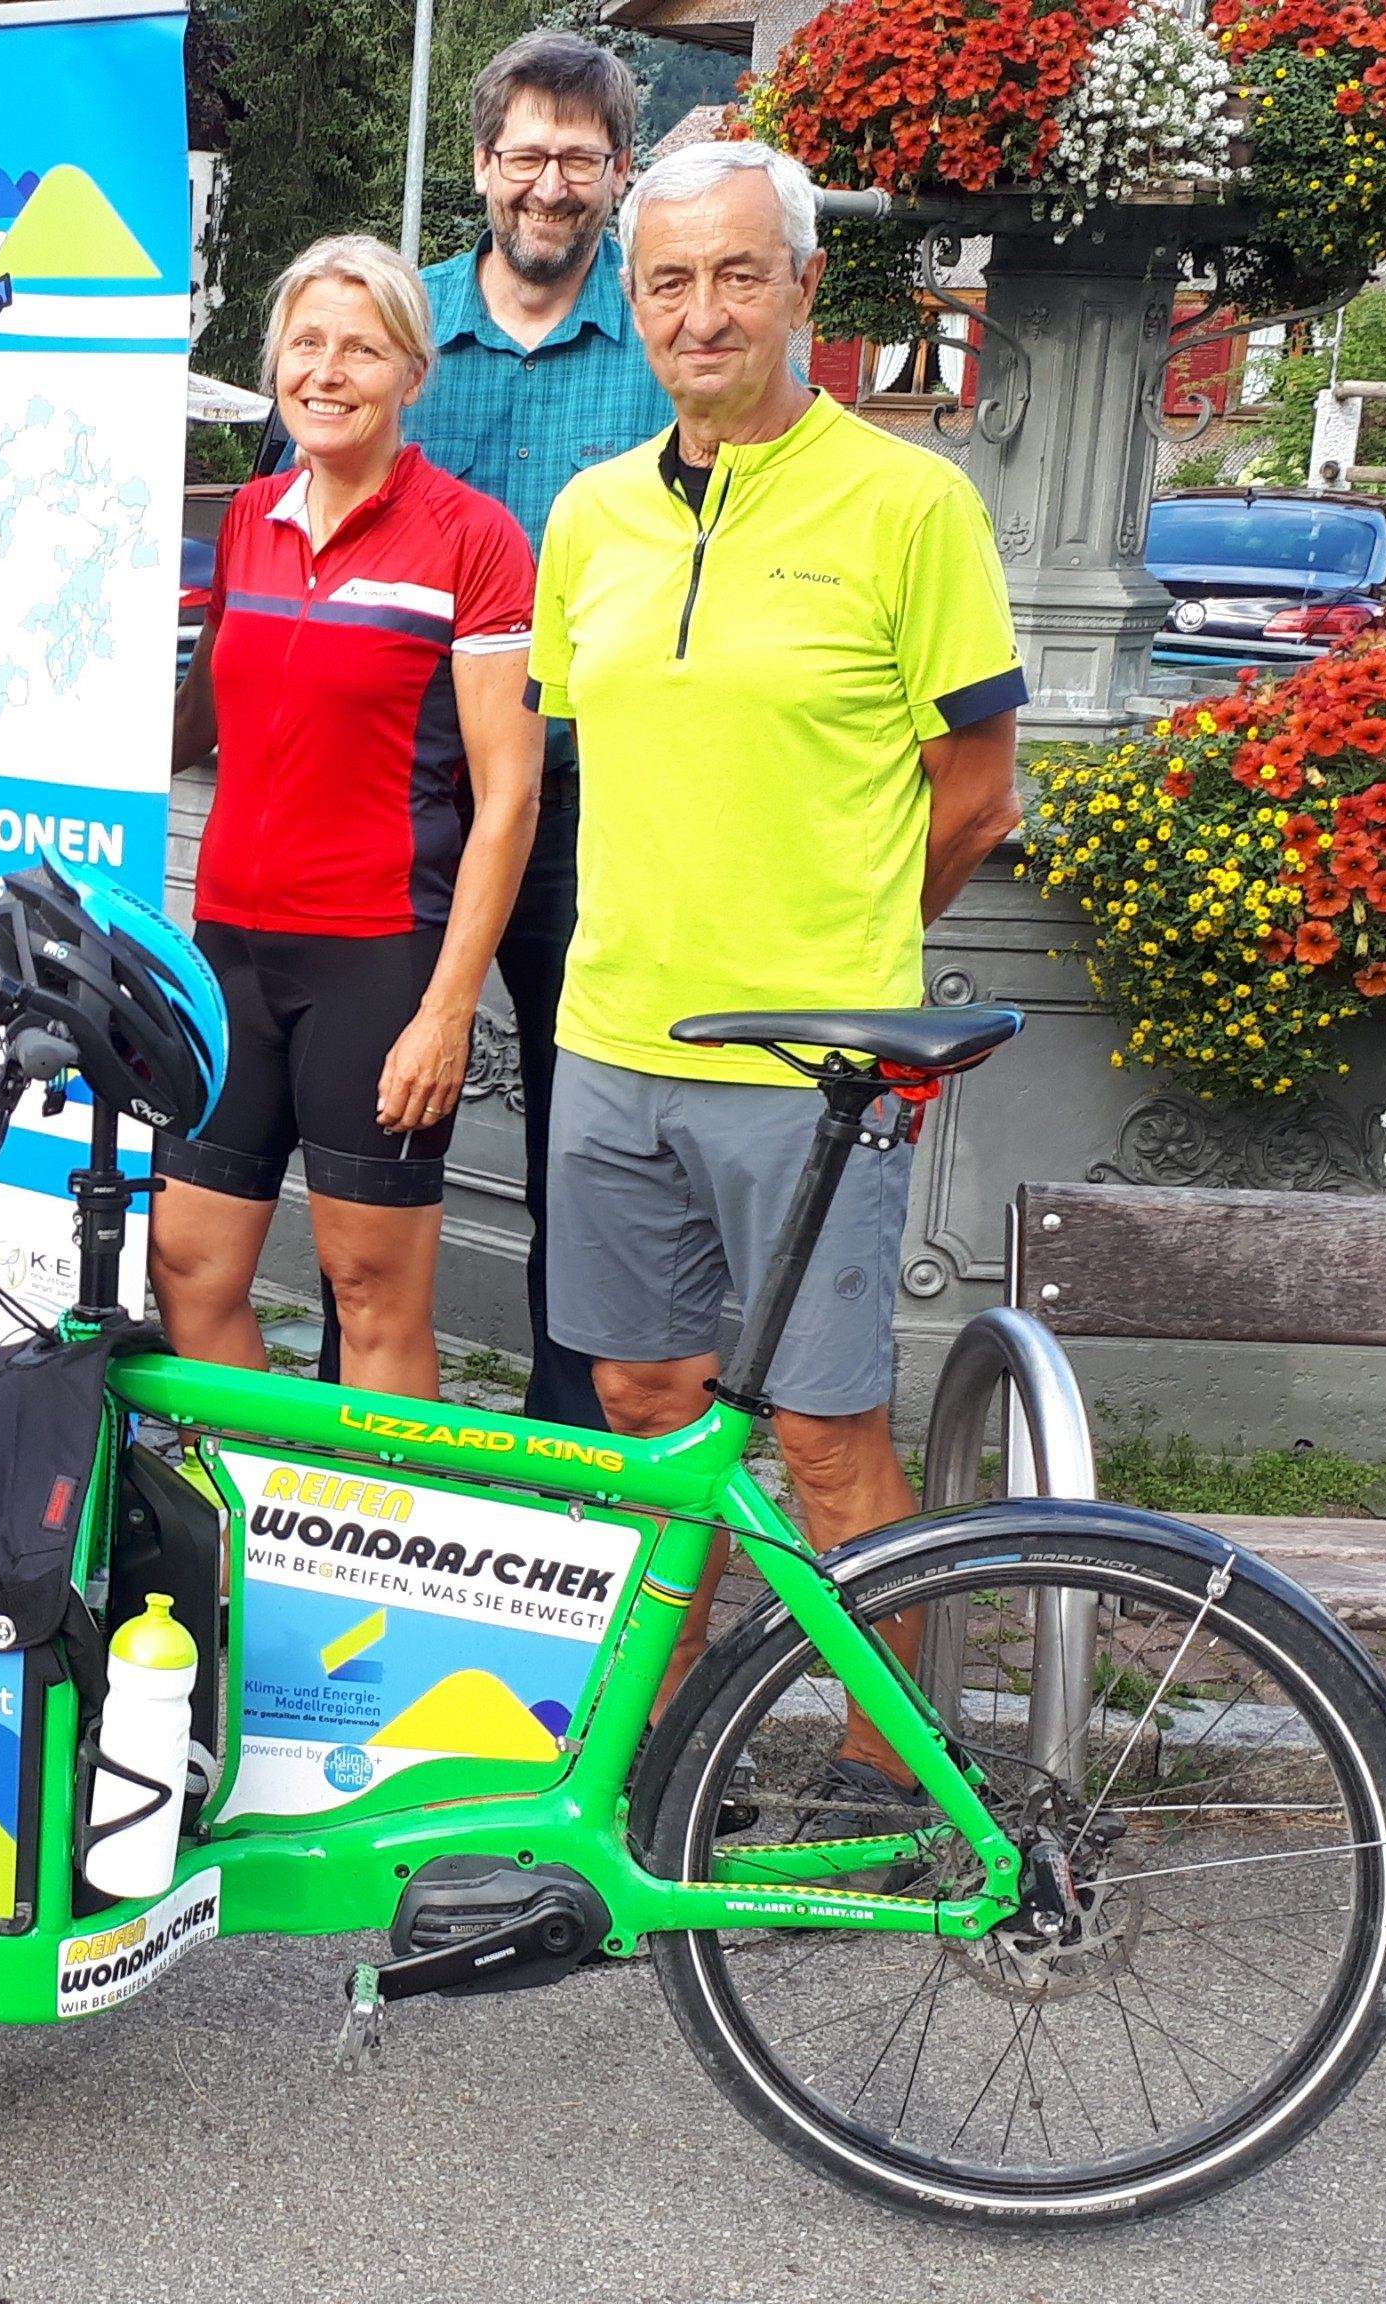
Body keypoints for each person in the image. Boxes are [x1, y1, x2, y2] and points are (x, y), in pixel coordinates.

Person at [528, 140, 1024, 1804]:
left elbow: (977, 797)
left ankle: (903, 1793)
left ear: (805, 284)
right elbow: (598, 766)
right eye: (667, 279)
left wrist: (850, 946)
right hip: (613, 1042)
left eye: (739, 272)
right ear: (632, 301)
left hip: (812, 1071)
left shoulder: (909, 503)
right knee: (649, 1408)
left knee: (822, 1440)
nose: (702, 309)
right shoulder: (590, 517)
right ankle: (654, 1766)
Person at [156, 236, 543, 1403]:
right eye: (306, 344)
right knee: (190, 1270)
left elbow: (510, 793)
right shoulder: (250, 521)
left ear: (412, 372)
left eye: (361, 349)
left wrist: (448, 1009)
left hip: (377, 961)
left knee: (371, 1297)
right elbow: (199, 718)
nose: (327, 372)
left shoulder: (472, 539)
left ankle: (371, 1568)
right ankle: (266, 1519)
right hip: (228, 951)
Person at [399, 30, 670, 1431]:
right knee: (386, 1116)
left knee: (590, 1135)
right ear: (483, 166)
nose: (549, 185)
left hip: (590, 809)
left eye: (579, 157)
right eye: (526, 154)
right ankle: (375, 1421)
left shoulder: (660, 348)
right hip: (417, 806)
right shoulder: (399, 329)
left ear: (618, 175)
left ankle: (574, 1453)